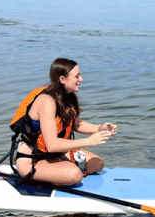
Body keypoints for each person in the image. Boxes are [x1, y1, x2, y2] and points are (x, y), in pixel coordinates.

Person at [9, 58, 118, 186]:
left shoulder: (68, 96)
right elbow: (52, 145)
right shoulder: (46, 102)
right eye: (77, 76)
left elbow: (76, 125)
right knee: (74, 175)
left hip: (56, 154)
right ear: (62, 79)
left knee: (97, 164)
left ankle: (59, 169)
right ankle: (46, 175)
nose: (81, 79)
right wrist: (88, 141)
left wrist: (100, 128)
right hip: (33, 159)